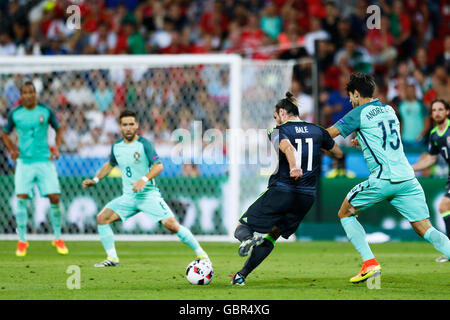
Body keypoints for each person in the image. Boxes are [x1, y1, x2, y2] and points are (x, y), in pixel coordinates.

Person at [326, 73, 450, 284]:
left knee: (345, 213)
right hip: (407, 179)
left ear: (356, 93)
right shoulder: (390, 110)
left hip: (384, 178)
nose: (349, 100)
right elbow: (385, 137)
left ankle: (370, 264)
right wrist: (363, 140)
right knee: (425, 228)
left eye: (350, 96)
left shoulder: (358, 113)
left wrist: (303, 133)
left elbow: (328, 134)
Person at [231, 92, 343, 286]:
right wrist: (318, 148)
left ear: (282, 112)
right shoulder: (317, 130)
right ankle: (241, 275)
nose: (276, 121)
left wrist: (294, 166)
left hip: (282, 190)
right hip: (306, 197)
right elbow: (338, 153)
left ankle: (247, 240)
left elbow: (288, 147)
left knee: (242, 227)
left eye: (276, 117)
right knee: (273, 235)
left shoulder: (277, 131)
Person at [82, 110, 210, 267]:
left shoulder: (144, 144)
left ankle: (202, 254)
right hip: (128, 197)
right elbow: (110, 164)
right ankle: (112, 258)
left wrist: (144, 179)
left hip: (148, 195)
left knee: (171, 224)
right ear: (120, 127)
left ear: (136, 125)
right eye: (125, 125)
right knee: (102, 218)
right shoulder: (117, 147)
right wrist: (96, 179)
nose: (128, 128)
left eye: (131, 124)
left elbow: (159, 166)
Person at [2, 81, 68, 256]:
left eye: (31, 92)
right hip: (24, 162)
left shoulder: (45, 111)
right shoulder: (16, 114)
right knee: (22, 198)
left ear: (35, 94)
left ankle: (57, 238)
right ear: (21, 95)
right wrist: (11, 149)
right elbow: (4, 133)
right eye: (25, 92)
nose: (28, 95)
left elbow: (59, 128)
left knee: (54, 197)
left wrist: (58, 146)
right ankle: (22, 240)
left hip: (44, 161)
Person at [412, 99, 450, 262]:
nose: (437, 113)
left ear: (447, 112)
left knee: (444, 206)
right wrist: (410, 168)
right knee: (444, 207)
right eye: (434, 110)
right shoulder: (434, 134)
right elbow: (431, 159)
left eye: (440, 109)